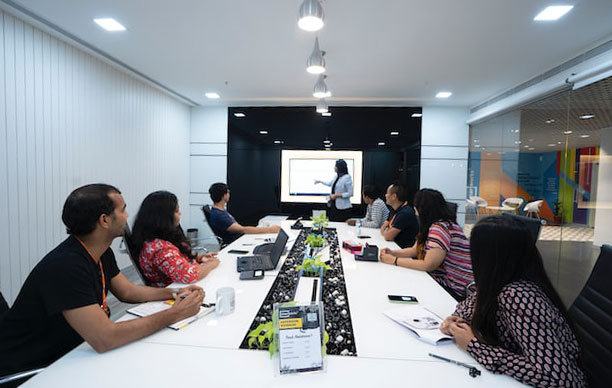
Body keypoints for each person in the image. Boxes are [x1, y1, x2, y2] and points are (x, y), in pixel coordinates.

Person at [0, 184, 205, 381]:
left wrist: (174, 294)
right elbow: (105, 338)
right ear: (105, 220)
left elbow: (128, 291)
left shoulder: (99, 251)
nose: (127, 216)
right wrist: (175, 313)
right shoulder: (66, 266)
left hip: (75, 351)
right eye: (123, 210)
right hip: (37, 368)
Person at [440, 216, 586, 387]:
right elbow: (468, 307)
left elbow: (559, 379)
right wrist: (455, 322)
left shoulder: (519, 296)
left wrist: (475, 347)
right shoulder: (498, 282)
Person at [380, 189, 473, 298]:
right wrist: (393, 253)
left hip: (453, 287)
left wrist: (394, 261)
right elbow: (414, 250)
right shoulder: (432, 225)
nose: (415, 211)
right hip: (443, 281)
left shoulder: (440, 229)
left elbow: (428, 265)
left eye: (416, 207)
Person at [132, 191, 220, 288]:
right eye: (177, 211)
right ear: (164, 217)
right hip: (174, 292)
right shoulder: (159, 249)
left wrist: (199, 258)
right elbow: (189, 275)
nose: (180, 213)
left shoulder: (164, 237)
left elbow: (178, 258)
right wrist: (211, 264)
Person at [208, 183, 280, 245]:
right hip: (237, 243)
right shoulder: (219, 216)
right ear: (224, 196)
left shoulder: (219, 210)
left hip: (239, 239)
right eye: (228, 192)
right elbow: (243, 230)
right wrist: (270, 229)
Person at [380, 182, 418, 248]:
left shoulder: (405, 213)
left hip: (402, 249)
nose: (385, 195)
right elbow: (383, 226)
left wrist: (386, 230)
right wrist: (386, 230)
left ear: (394, 196)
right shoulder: (393, 209)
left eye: (387, 193)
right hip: (394, 245)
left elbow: (388, 236)